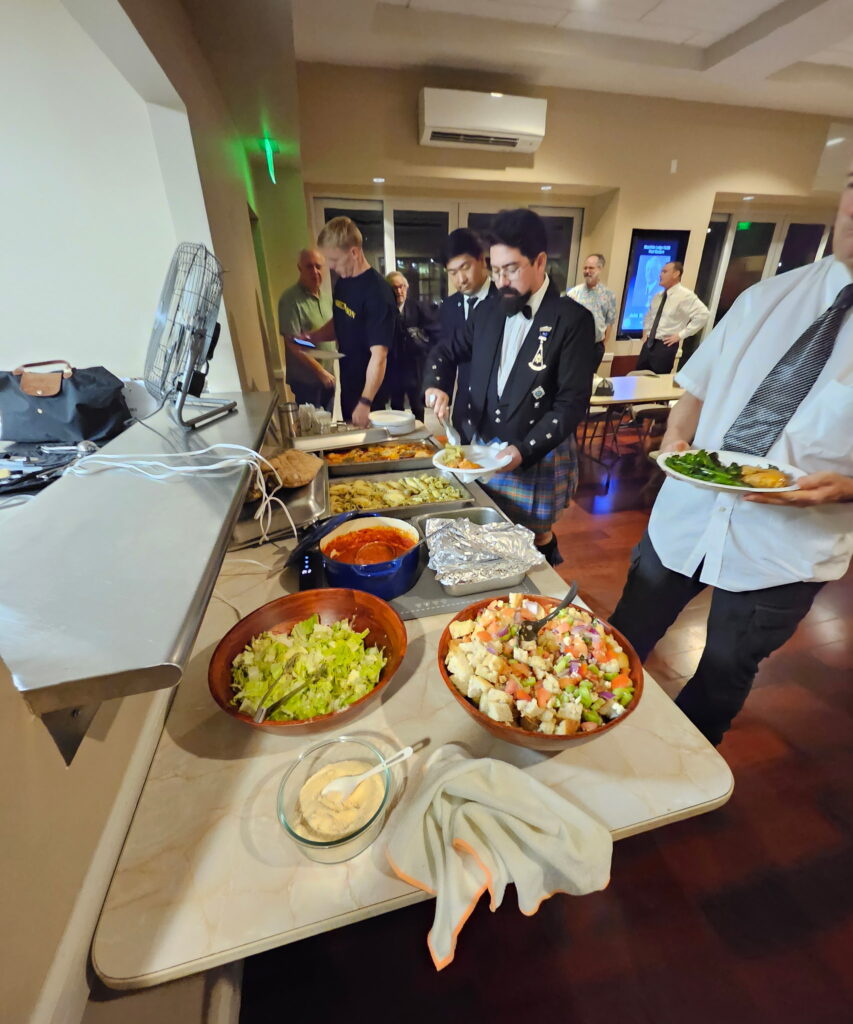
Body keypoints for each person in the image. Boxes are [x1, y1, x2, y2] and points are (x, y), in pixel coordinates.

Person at [609, 159, 853, 747]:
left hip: (785, 548)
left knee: (722, 673)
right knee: (621, 637)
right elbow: (697, 386)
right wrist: (675, 438)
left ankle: (680, 770)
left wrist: (848, 487)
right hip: (687, 517)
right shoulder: (768, 296)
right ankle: (590, 732)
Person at [424, 209, 598, 566]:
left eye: (512, 269)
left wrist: (524, 449)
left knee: (533, 535)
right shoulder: (488, 311)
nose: (501, 280)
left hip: (536, 449)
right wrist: (437, 386)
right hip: (482, 445)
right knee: (489, 530)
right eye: (496, 269)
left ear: (540, 261)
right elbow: (445, 351)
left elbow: (570, 404)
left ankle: (543, 583)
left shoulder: (573, 320)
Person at [299, 217, 397, 426]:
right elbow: (341, 321)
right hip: (349, 387)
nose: (331, 267)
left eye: (334, 260)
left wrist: (365, 401)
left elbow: (379, 355)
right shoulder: (343, 284)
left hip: (373, 396)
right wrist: (313, 337)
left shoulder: (378, 293)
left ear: (354, 252)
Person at [439, 228, 497, 401]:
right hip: (464, 403)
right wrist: (441, 391)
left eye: (465, 267)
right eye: (453, 273)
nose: (461, 279)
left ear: (482, 260)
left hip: (498, 406)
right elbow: (447, 355)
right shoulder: (449, 306)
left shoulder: (504, 300)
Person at [277, 248, 336, 410]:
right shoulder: (290, 299)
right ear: (300, 268)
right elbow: (293, 344)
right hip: (307, 383)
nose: (315, 271)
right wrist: (320, 372)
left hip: (328, 377)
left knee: (327, 422)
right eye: (309, 266)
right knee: (311, 424)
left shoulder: (326, 298)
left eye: (318, 266)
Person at [384, 271, 438, 422]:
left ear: (406, 288)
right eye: (395, 287)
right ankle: (399, 434)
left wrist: (420, 339)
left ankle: (420, 432)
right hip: (393, 366)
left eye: (402, 287)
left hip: (415, 366)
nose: (399, 291)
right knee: (396, 406)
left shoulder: (418, 307)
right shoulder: (384, 309)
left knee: (417, 405)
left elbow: (433, 333)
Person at [637, 262, 709, 374]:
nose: (660, 275)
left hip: (665, 345)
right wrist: (645, 333)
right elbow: (649, 316)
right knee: (638, 378)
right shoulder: (658, 296)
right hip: (648, 344)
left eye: (664, 271)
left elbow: (703, 315)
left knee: (658, 381)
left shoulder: (685, 295)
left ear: (676, 274)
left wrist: (681, 335)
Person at [567, 253, 615, 369]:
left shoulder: (609, 295)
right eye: (585, 268)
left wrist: (603, 344)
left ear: (600, 269)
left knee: (591, 377)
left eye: (591, 268)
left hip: (595, 347)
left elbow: (609, 322)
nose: (587, 271)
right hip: (575, 346)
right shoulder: (573, 293)